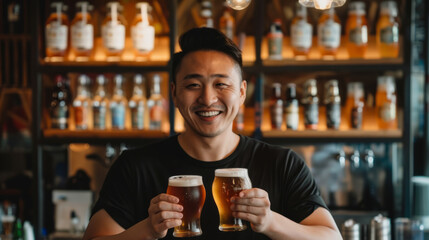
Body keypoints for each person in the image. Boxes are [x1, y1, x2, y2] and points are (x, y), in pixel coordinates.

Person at [83, 27, 342, 240]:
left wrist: (271, 221)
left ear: (241, 92)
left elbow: (331, 236)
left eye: (221, 84)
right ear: (174, 93)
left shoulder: (282, 164)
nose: (207, 98)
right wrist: (148, 229)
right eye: (193, 85)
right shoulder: (135, 167)